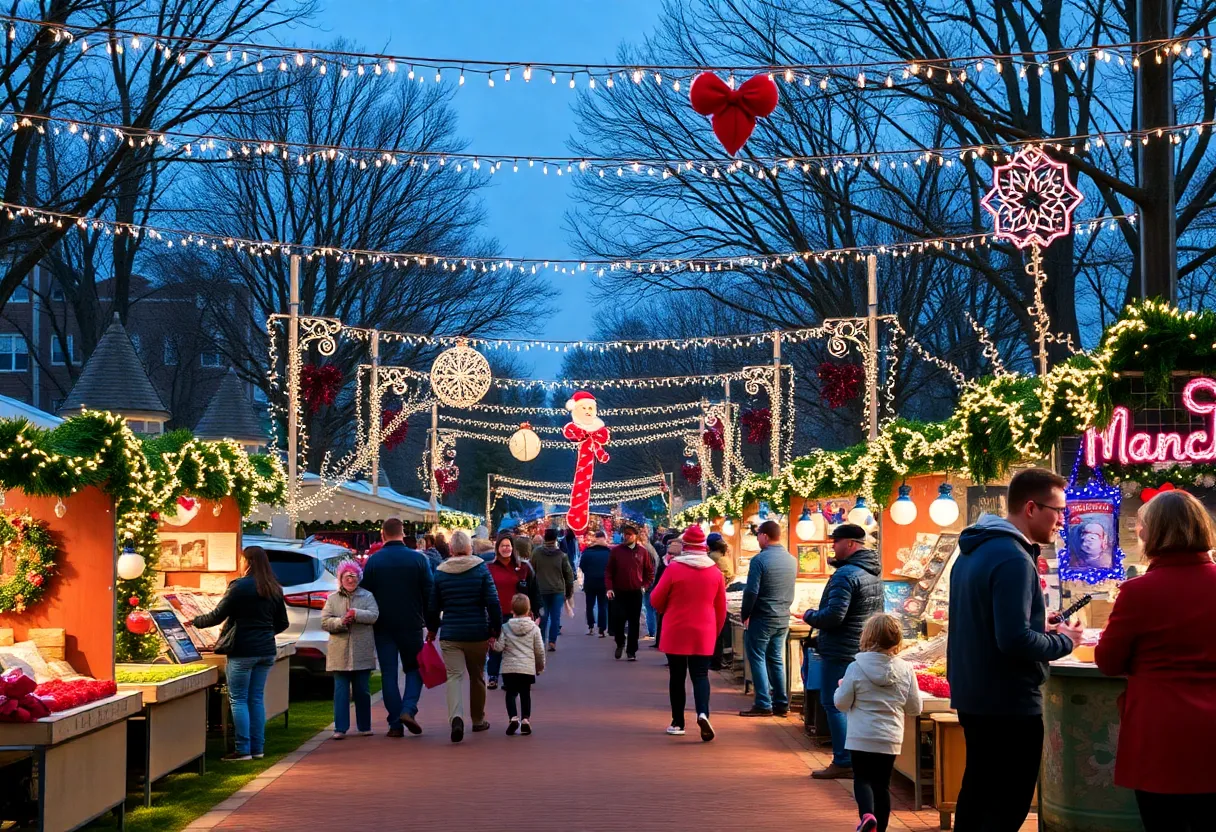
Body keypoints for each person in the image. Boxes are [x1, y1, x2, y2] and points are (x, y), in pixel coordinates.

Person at [948, 468, 1083, 831]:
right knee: (1005, 805)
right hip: (1008, 702)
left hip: (976, 696)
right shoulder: (1013, 557)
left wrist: (1039, 625)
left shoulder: (974, 550)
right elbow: (1013, 640)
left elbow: (988, 624)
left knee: (977, 795)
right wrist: (1064, 641)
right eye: (1058, 510)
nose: (1061, 520)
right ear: (1031, 508)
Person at [1095, 490, 1216, 832]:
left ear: (1157, 533)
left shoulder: (1138, 592)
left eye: (1142, 527)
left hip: (1161, 737)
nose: (1139, 533)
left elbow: (1108, 661)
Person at [802, 523, 885, 779]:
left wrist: (809, 616)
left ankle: (844, 760)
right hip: (863, 647)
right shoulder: (872, 572)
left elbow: (834, 617)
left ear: (849, 544)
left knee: (834, 703)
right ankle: (858, 758)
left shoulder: (845, 575)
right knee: (855, 706)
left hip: (840, 649)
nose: (832, 546)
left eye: (835, 541)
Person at [191, 546, 288, 761]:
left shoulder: (239, 586)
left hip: (242, 650)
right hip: (266, 650)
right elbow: (283, 622)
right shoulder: (274, 587)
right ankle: (258, 748)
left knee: (239, 699)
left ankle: (243, 749)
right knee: (256, 698)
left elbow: (217, 616)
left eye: (242, 560)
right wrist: (265, 633)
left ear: (248, 562)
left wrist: (194, 621)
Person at [835, 613, 921, 832]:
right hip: (889, 737)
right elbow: (914, 708)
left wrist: (841, 686)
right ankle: (879, 828)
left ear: (867, 636)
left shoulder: (856, 667)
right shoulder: (906, 669)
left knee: (862, 779)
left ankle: (867, 816)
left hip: (860, 736)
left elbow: (841, 703)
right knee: (882, 785)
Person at [650, 525, 727, 741]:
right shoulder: (715, 572)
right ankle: (703, 713)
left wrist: (668, 607)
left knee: (677, 676)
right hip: (704, 630)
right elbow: (721, 608)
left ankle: (678, 722)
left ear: (685, 546)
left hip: (676, 628)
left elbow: (656, 599)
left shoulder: (674, 568)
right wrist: (715, 631)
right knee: (701, 675)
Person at [360, 518, 434, 737]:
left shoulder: (373, 562)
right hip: (411, 623)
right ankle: (408, 708)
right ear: (403, 534)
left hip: (383, 625)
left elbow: (365, 593)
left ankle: (395, 722)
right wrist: (432, 624)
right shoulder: (418, 560)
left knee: (389, 674)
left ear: (383, 535)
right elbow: (429, 593)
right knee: (415, 669)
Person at [426, 529, 502, 743]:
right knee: (477, 676)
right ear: (469, 547)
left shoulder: (440, 572)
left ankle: (456, 718)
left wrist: (432, 629)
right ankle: (478, 720)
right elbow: (493, 602)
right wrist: (495, 629)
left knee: (454, 676)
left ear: (451, 549)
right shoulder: (480, 569)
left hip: (450, 632)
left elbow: (433, 606)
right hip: (477, 631)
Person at [739, 520, 797, 718]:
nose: (757, 540)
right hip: (783, 616)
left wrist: (745, 613)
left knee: (757, 657)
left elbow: (751, 591)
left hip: (762, 617)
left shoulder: (759, 560)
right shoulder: (791, 559)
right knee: (776, 659)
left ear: (764, 536)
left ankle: (763, 702)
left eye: (758, 536)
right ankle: (781, 703)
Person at [320, 560, 380, 739]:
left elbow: (374, 615)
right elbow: (324, 622)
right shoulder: (332, 599)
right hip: (339, 652)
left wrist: (357, 614)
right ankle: (340, 728)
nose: (350, 580)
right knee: (341, 691)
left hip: (362, 651)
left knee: (362, 690)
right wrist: (340, 622)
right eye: (347, 577)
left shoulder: (367, 596)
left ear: (359, 577)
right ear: (340, 578)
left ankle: (364, 726)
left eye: (353, 576)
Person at [487, 533, 540, 689]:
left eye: (508, 545)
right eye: (502, 545)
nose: (506, 548)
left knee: (514, 648)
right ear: (497, 548)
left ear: (513, 548)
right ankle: (493, 675)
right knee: (496, 644)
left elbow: (534, 590)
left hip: (519, 613)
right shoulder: (489, 568)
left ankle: (510, 678)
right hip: (497, 612)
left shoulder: (523, 567)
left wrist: (536, 612)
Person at [492, 593, 546, 736]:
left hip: (509, 668)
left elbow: (499, 647)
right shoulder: (534, 629)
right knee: (525, 694)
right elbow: (539, 650)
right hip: (527, 668)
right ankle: (526, 720)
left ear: (512, 610)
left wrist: (493, 644)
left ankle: (513, 718)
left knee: (510, 693)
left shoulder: (505, 627)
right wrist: (539, 667)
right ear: (528, 610)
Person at [606, 524, 655, 661]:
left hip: (635, 592)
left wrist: (644, 586)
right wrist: (609, 588)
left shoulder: (642, 552)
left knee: (634, 622)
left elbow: (649, 572)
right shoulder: (616, 551)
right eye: (625, 534)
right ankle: (620, 642)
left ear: (635, 536)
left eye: (629, 534)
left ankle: (631, 651)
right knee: (619, 620)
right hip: (619, 591)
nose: (626, 536)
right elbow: (609, 571)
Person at [532, 527, 575, 651]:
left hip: (541, 590)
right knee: (555, 617)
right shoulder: (561, 555)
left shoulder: (536, 553)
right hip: (557, 590)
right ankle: (552, 641)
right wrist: (569, 592)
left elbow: (531, 570)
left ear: (544, 538)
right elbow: (569, 575)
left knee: (543, 617)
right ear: (556, 539)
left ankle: (541, 642)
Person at [707, 533, 734, 670]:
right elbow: (730, 576)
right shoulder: (722, 557)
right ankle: (721, 659)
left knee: (717, 630)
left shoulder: (712, 558)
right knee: (721, 629)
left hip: (714, 596)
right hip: (721, 595)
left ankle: (715, 660)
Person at [579, 530, 613, 636]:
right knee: (602, 605)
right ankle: (602, 629)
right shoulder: (608, 553)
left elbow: (582, 566)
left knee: (590, 605)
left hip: (590, 582)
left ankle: (590, 626)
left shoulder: (587, 552)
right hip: (604, 583)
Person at [642, 531, 662, 638]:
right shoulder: (652, 550)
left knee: (649, 608)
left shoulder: (645, 552)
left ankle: (652, 631)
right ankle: (654, 631)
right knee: (652, 608)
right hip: (654, 582)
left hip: (648, 583)